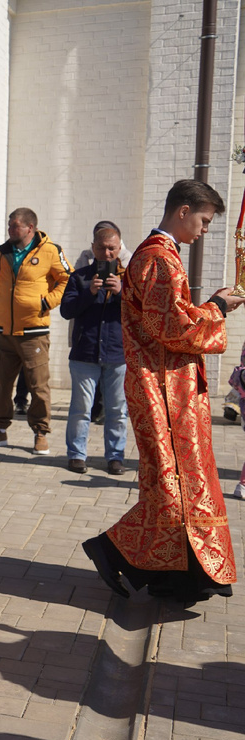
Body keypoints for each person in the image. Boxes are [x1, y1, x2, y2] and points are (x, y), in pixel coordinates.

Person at [83, 180, 244, 606]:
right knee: (173, 485)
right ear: (183, 210)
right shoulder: (158, 258)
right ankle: (116, 551)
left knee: (179, 484)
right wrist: (218, 307)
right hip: (162, 390)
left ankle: (175, 577)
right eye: (204, 220)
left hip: (172, 387)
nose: (205, 230)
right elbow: (172, 327)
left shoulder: (163, 255)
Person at [0, 208, 71, 455]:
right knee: (1, 384)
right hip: (4, 332)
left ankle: (40, 432)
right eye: (9, 226)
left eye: (15, 226)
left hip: (34, 332)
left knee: (38, 386)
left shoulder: (51, 250)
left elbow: (66, 279)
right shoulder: (2, 252)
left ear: (30, 227)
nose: (10, 230)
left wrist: (46, 302)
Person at [59, 222, 129, 476]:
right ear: (93, 248)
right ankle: (77, 455)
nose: (107, 253)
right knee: (81, 408)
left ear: (120, 248)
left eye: (112, 248)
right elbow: (66, 310)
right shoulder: (79, 276)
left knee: (117, 410)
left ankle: (115, 456)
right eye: (102, 248)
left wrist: (122, 293)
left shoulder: (129, 278)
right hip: (84, 354)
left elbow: (142, 312)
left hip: (117, 354)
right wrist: (89, 293)